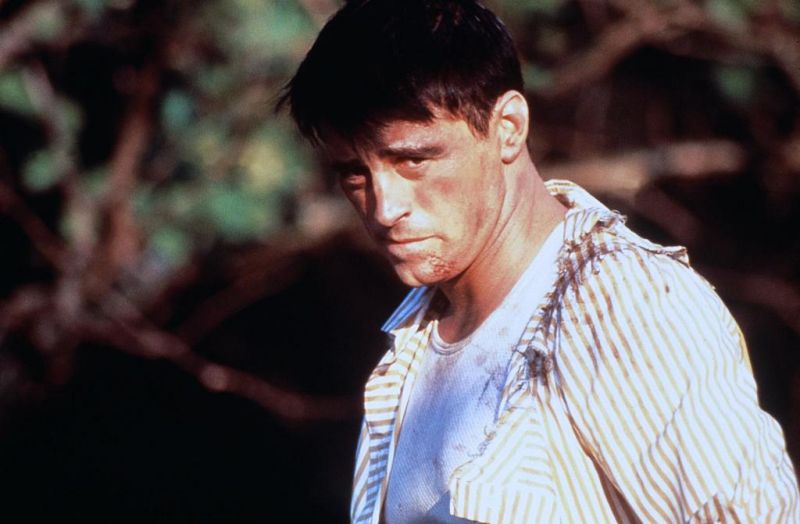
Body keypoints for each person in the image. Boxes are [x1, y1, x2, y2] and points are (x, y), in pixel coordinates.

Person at [279, 1, 800, 522]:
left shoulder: (619, 304)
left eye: (413, 159)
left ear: (508, 126)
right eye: (354, 173)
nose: (384, 208)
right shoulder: (410, 348)